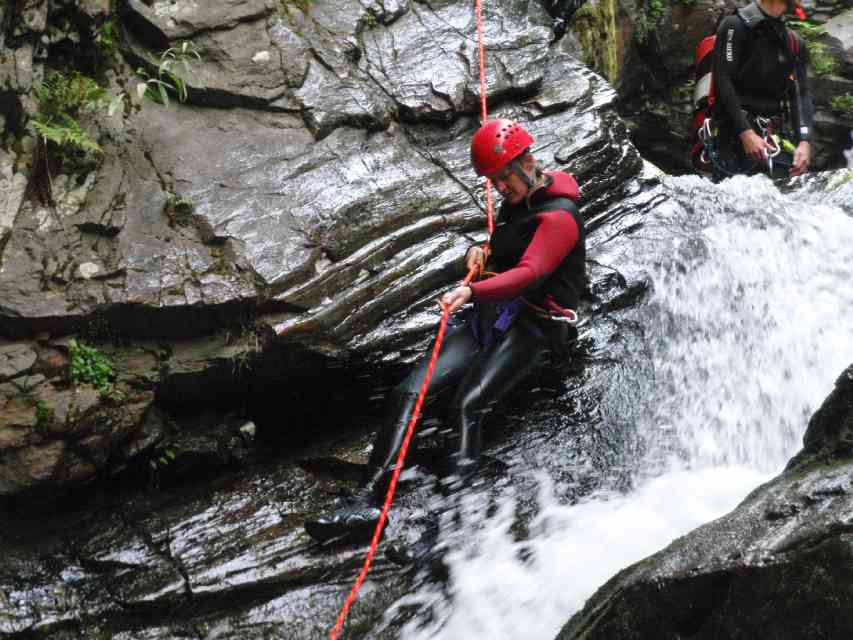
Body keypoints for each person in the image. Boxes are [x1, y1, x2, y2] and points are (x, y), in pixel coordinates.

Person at [304, 119, 587, 545]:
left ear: (528, 162)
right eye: (493, 180)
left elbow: (531, 272)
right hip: (491, 316)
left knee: (466, 405)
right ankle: (367, 501)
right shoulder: (520, 202)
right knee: (408, 392)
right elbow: (509, 250)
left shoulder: (560, 217)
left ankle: (458, 528)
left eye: (504, 176)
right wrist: (481, 250)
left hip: (538, 324)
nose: (499, 187)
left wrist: (471, 291)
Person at [711, 0, 814, 181]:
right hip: (734, 136)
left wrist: (805, 141)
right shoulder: (734, 26)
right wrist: (746, 132)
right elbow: (723, 79)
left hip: (774, 137)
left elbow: (800, 95)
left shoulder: (794, 43)